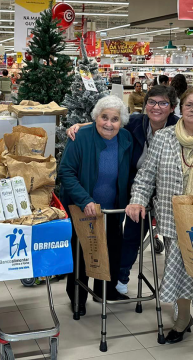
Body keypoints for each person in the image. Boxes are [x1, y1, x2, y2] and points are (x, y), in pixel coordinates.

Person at [66, 86, 179, 295]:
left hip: (154, 194)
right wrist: (81, 126)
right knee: (103, 245)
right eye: (152, 102)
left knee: (120, 245)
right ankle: (96, 290)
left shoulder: (176, 129)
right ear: (145, 104)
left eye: (163, 103)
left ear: (172, 108)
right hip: (118, 196)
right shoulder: (136, 122)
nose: (156, 107)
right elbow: (108, 121)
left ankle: (111, 290)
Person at [126, 87, 193, 344]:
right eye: (189, 106)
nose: (192, 111)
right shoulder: (164, 138)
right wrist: (137, 201)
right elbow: (146, 176)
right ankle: (182, 318)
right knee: (181, 268)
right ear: (180, 108)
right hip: (174, 217)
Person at [59, 95, 132, 316]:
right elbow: (66, 172)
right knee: (81, 254)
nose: (109, 124)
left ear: (122, 121)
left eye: (115, 119)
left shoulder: (126, 139)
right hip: (83, 209)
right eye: (104, 117)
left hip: (113, 209)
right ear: (95, 118)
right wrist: (85, 200)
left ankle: (106, 291)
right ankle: (78, 297)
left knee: (111, 251)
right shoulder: (81, 137)